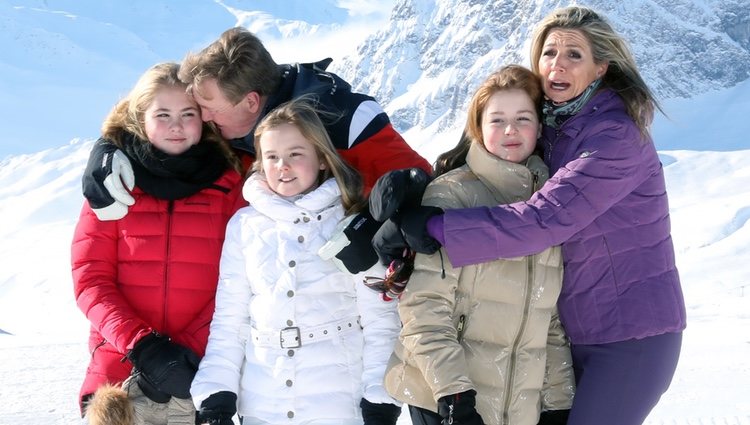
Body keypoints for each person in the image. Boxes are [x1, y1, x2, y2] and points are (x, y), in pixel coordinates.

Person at [370, 6, 686, 425]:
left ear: (600, 69)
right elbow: (493, 150)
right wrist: (416, 191)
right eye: (549, 52)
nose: (558, 63)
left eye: (574, 54)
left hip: (630, 335)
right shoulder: (554, 125)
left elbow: (540, 221)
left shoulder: (615, 138)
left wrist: (429, 225)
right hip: (573, 329)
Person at [81, 26, 431, 274]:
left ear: (251, 102)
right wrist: (109, 145)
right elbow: (156, 102)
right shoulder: (227, 127)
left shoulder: (344, 121)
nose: (199, 119)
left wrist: (376, 224)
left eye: (209, 109)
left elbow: (420, 183)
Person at [189, 99, 403, 425]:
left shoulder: (353, 224)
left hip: (337, 407)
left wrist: (379, 394)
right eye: (272, 157)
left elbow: (379, 318)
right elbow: (229, 321)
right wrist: (217, 393)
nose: (282, 166)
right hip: (262, 404)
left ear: (320, 159)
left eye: (295, 154)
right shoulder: (244, 226)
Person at [383, 65, 574, 425]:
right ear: (478, 127)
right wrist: (454, 396)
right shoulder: (452, 195)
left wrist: (558, 403)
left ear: (539, 126)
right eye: (497, 119)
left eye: (523, 118)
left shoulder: (549, 203)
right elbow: (423, 310)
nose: (510, 130)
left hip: (516, 406)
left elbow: (547, 316)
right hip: (444, 398)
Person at [71, 62, 244, 423]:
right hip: (119, 378)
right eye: (162, 114)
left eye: (188, 113)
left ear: (204, 119)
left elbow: (241, 281)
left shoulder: (231, 188)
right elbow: (90, 280)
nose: (176, 125)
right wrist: (144, 347)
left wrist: (189, 350)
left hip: (200, 373)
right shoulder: (112, 185)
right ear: (140, 118)